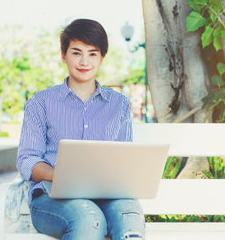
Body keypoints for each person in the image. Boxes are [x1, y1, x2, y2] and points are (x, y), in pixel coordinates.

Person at [17, 19, 145, 240]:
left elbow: (123, 157)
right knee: (88, 219)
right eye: (76, 53)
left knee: (130, 218)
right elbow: (27, 159)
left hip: (107, 195)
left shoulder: (119, 104)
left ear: (102, 58)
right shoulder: (40, 103)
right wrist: (60, 175)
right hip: (52, 197)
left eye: (93, 54)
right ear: (64, 54)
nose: (84, 61)